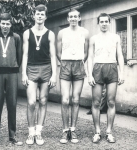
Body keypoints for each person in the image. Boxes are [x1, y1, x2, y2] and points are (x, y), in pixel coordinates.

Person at [22, 4, 57, 145]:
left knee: (43, 101)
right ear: (34, 15)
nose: (40, 16)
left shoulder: (50, 34)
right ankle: (31, 133)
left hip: (46, 68)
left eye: (42, 14)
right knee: (31, 102)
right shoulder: (27, 33)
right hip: (31, 68)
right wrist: (23, 74)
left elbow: (53, 56)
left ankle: (39, 132)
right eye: (37, 14)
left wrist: (54, 75)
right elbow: (24, 55)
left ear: (45, 16)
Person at [0, 13, 23, 148]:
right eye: (3, 23)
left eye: (8, 24)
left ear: (11, 24)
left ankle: (12, 136)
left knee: (12, 104)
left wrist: (13, 68)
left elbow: (19, 57)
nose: (5, 26)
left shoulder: (17, 38)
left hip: (12, 74)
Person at [87, 13, 124, 143]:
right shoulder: (93, 38)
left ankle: (109, 132)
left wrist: (122, 72)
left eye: (106, 21)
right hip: (97, 68)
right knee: (96, 102)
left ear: (109, 22)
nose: (103, 24)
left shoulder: (115, 37)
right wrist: (89, 74)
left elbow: (119, 55)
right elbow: (90, 58)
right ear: (98, 23)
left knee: (111, 101)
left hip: (112, 68)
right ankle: (97, 132)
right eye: (101, 22)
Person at [57, 9, 89, 144]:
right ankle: (65, 131)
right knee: (65, 100)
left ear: (79, 18)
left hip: (78, 65)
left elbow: (86, 52)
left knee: (75, 100)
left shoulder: (85, 32)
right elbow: (58, 53)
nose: (73, 18)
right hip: (65, 64)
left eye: (76, 16)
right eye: (71, 17)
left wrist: (80, 62)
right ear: (68, 19)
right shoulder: (62, 32)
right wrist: (65, 62)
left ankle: (73, 129)